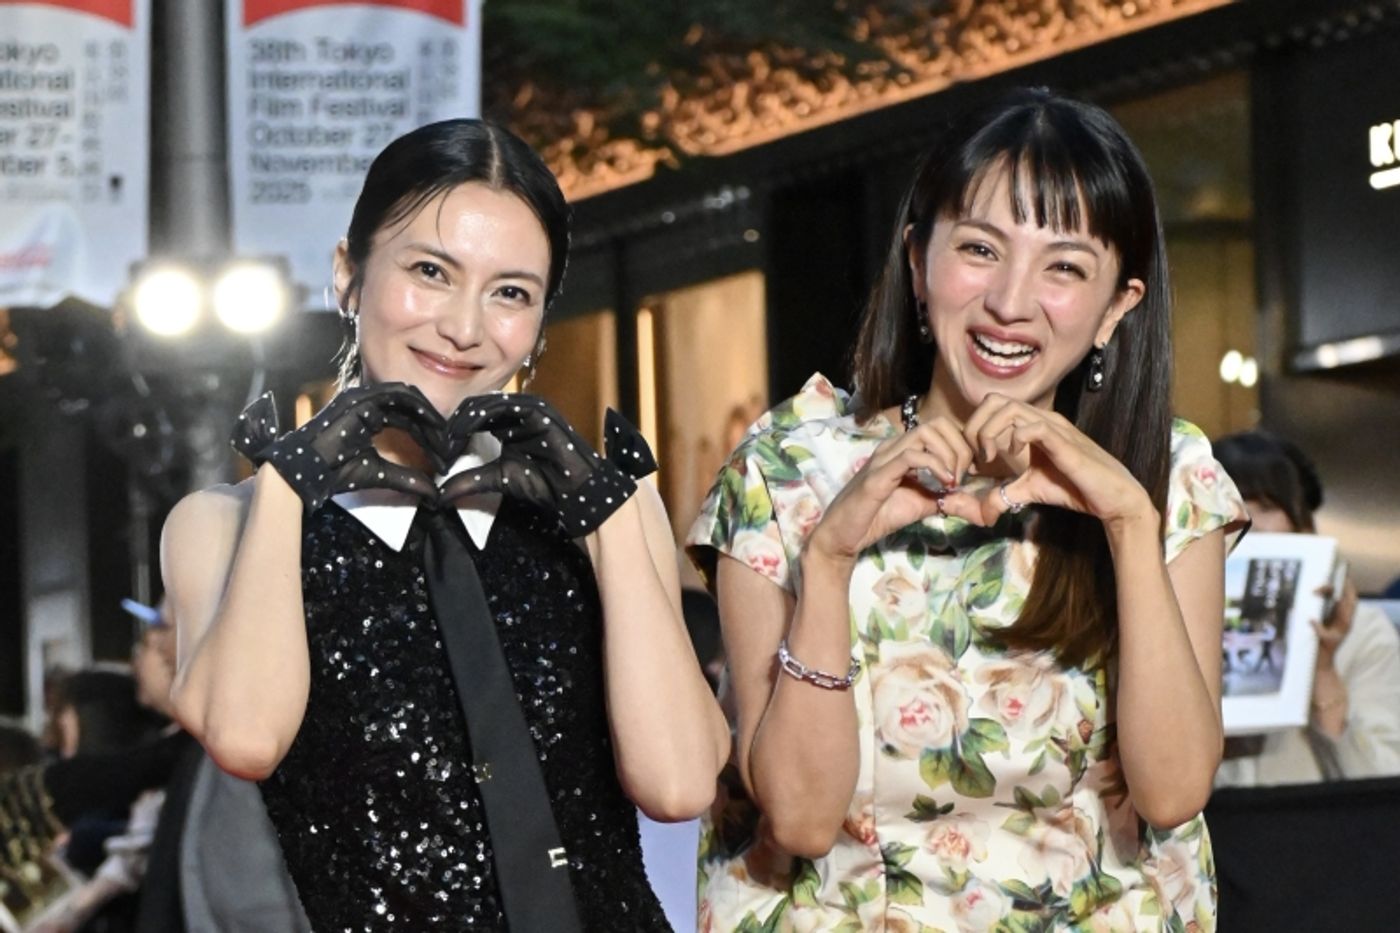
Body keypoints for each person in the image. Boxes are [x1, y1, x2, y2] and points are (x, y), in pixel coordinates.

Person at [687, 87, 1248, 930]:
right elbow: (800, 819)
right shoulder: (789, 467)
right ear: (919, 263)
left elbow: (1172, 791)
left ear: (1117, 309)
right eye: (980, 249)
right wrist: (831, 559)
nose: (1011, 302)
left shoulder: (1167, 476)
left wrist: (1130, 526)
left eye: (1064, 266)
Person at [160, 118, 727, 931]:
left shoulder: (606, 508)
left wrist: (605, 519)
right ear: (348, 276)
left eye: (510, 293)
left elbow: (677, 785)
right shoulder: (227, 523)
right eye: (430, 271)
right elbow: (245, 737)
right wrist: (290, 483)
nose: (465, 327)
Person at [1212, 430, 1400, 785]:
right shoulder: (1176, 627)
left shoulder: (1364, 632)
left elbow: (1380, 784)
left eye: (1267, 508)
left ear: (1303, 524)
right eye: (1229, 507)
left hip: (1317, 830)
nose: (1249, 524)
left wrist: (1323, 670)